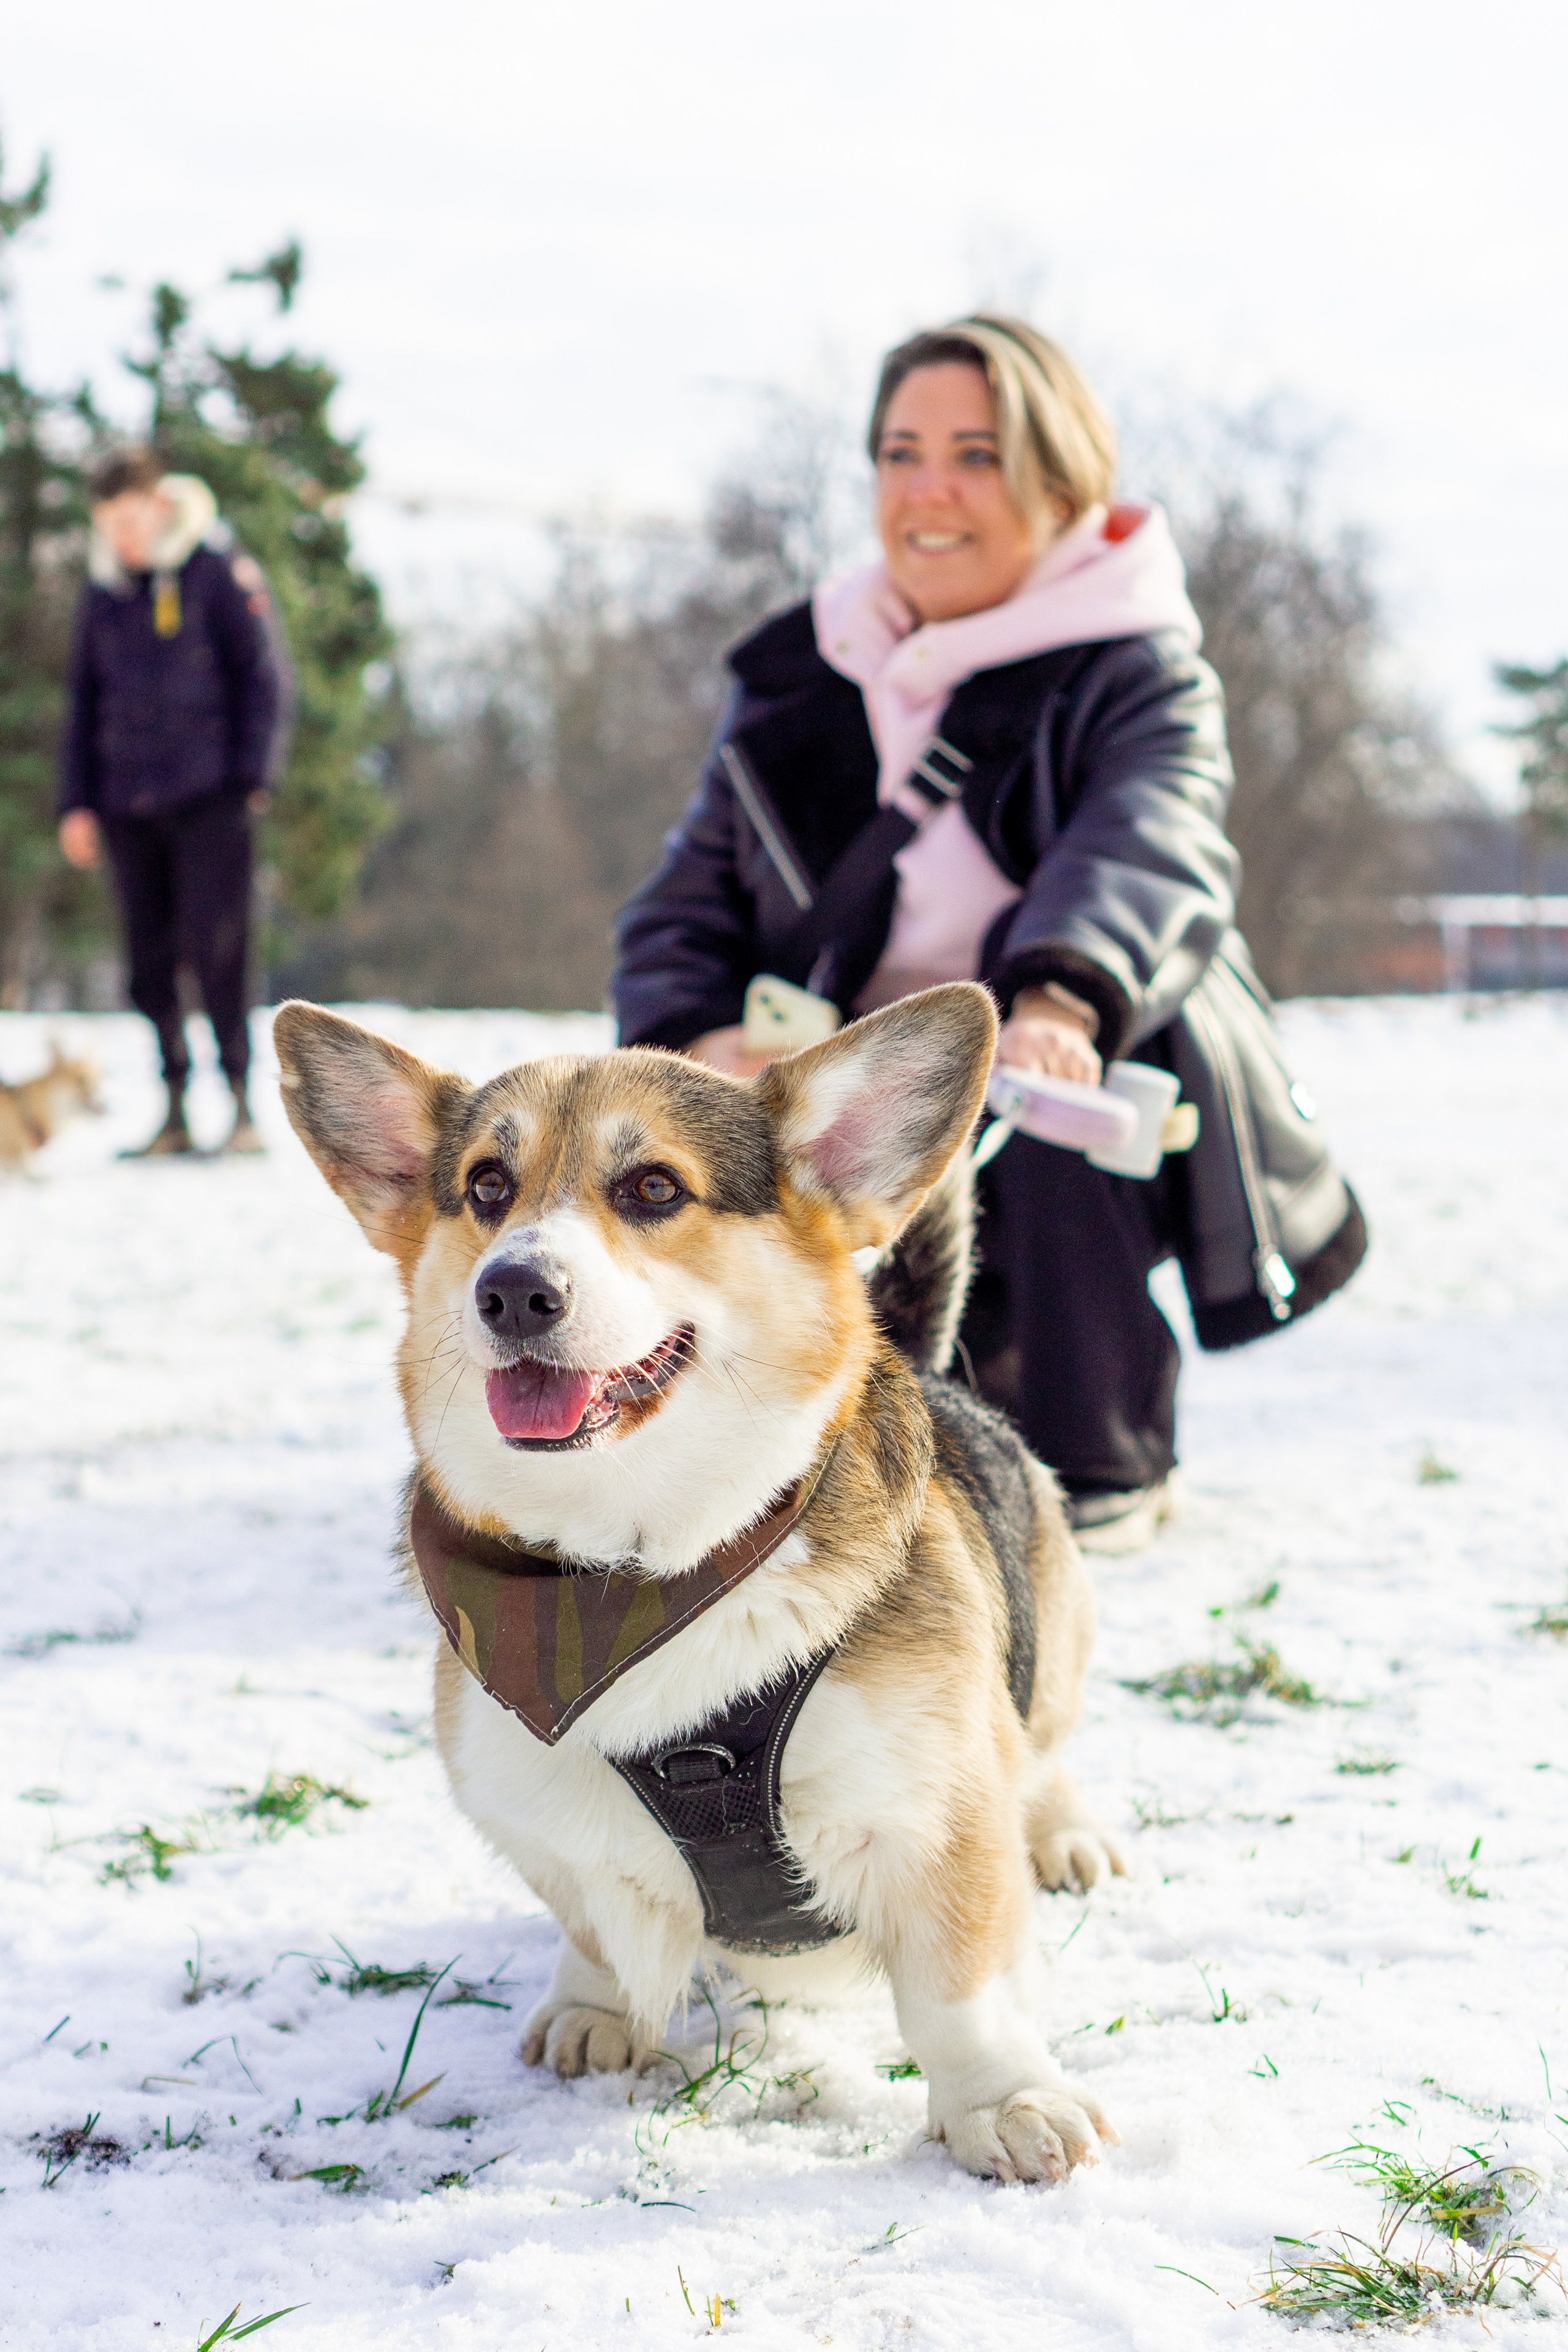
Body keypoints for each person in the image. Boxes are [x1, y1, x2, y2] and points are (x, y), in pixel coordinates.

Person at [612, 315, 1365, 1552]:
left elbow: (1145, 841)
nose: (928, 490)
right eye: (901, 453)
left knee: (1068, 1096)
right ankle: (754, 1440)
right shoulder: (797, 674)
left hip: (1058, 1042)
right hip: (846, 1056)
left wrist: (1063, 998)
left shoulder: (1135, 669)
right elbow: (687, 899)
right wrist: (698, 1036)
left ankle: (1086, 1455)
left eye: (973, 453)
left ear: (1058, 478)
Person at [57, 448, 290, 1156]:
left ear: (158, 506)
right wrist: (79, 803)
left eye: (130, 520)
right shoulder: (106, 591)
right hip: (128, 805)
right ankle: (174, 1107)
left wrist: (252, 779)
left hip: (210, 799)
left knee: (217, 951)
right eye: (108, 524)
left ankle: (241, 1106)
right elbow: (84, 702)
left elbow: (265, 678)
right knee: (147, 962)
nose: (122, 537)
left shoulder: (216, 570)